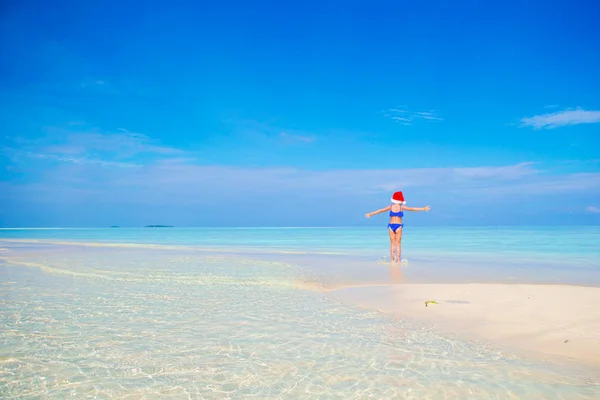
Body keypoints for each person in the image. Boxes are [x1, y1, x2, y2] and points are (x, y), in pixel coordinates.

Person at [365, 191, 430, 264]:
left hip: (391, 226)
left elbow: (380, 210)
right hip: (399, 226)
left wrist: (370, 214)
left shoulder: (390, 206)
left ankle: (393, 261)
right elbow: (413, 209)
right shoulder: (401, 207)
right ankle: (398, 261)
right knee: (398, 244)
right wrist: (423, 208)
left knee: (392, 244)